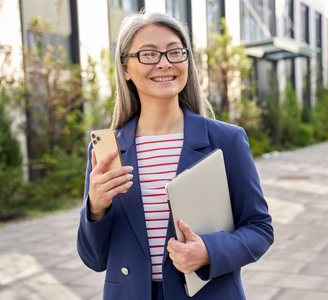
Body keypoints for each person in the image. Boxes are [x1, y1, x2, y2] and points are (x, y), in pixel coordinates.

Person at [76, 10, 273, 300]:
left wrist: (208, 251)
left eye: (174, 52)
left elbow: (259, 229)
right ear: (126, 69)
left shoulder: (226, 141)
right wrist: (96, 208)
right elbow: (94, 259)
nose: (165, 63)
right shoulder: (107, 150)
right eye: (149, 54)